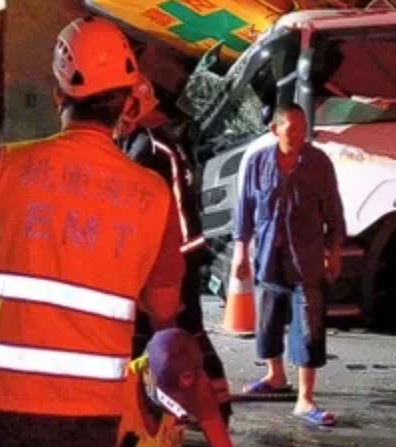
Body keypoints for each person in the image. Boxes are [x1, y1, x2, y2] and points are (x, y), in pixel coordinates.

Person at [0, 15, 187, 447]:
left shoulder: (4, 164)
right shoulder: (153, 193)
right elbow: (164, 307)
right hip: (90, 413)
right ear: (128, 100)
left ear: (58, 95)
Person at [120, 92, 233, 425]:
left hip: (171, 258)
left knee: (183, 335)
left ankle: (211, 409)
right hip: (170, 256)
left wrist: (161, 271)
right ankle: (190, 409)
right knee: (174, 336)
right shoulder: (150, 142)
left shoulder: (153, 148)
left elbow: (173, 217)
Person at [233, 104, 345, 427]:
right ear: (274, 130)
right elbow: (246, 208)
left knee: (308, 326)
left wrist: (334, 250)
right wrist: (241, 251)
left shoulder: (318, 163)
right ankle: (275, 377)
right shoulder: (258, 163)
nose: (298, 135)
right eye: (291, 129)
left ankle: (305, 399)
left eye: (302, 128)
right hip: (269, 256)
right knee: (267, 320)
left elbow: (333, 209)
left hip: (306, 259)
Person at [116, 329, 233, 447]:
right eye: (170, 399)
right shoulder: (115, 400)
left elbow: (219, 438)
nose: (177, 409)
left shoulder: (199, 388)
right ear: (147, 371)